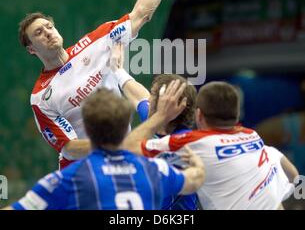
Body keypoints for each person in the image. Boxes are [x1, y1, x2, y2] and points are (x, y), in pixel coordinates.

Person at [18, 0, 180, 169]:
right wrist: (116, 145)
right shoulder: (41, 96)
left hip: (125, 159)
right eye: (38, 33)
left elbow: (141, 14)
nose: (47, 33)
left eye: (49, 26)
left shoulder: (98, 41)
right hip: (85, 172)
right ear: (31, 49)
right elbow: (69, 148)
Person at [3, 82, 205, 210]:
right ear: (127, 124)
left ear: (88, 132)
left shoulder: (67, 179)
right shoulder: (155, 169)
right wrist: (197, 163)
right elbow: (195, 179)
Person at [123, 81, 299, 210]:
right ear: (237, 117)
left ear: (199, 116)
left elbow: (127, 148)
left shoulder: (191, 143)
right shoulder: (253, 137)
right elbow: (293, 174)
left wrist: (160, 116)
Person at [109, 43, 199, 209]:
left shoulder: (187, 143)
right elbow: (138, 94)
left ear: (169, 107)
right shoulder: (153, 119)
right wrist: (117, 69)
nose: (148, 100)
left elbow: (126, 148)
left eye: (155, 97)